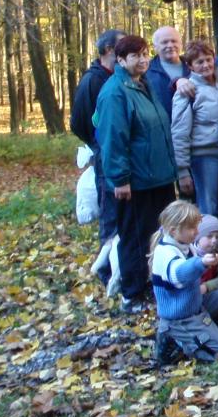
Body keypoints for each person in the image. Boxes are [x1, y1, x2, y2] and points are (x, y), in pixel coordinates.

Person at [95, 34, 178, 313]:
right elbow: (113, 138)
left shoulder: (144, 84)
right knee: (135, 237)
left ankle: (156, 284)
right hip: (136, 182)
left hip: (159, 177)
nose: (142, 60)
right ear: (120, 60)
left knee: (159, 234)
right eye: (135, 56)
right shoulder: (115, 92)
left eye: (144, 54)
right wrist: (120, 179)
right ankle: (132, 293)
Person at [149, 201, 218, 365]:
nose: (197, 232)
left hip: (196, 308)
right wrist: (201, 263)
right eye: (192, 228)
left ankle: (215, 334)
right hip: (180, 318)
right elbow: (179, 274)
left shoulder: (185, 245)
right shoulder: (165, 252)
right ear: (173, 230)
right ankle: (174, 339)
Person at [72, 28, 124, 256]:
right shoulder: (93, 80)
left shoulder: (121, 77)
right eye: (122, 46)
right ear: (109, 49)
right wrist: (100, 145)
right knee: (110, 211)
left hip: (123, 156)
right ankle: (106, 265)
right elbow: (79, 122)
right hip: (106, 158)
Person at [171, 40, 218, 220]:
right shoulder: (187, 91)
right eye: (199, 62)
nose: (206, 65)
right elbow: (179, 132)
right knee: (209, 209)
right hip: (205, 157)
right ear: (190, 66)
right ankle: (208, 239)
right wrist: (182, 171)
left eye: (208, 59)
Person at [145, 26, 191, 116]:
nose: (170, 45)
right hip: (162, 123)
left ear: (181, 44)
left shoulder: (193, 67)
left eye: (174, 41)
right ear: (155, 47)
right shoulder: (146, 71)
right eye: (164, 42)